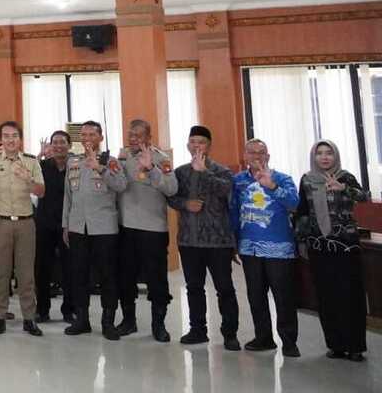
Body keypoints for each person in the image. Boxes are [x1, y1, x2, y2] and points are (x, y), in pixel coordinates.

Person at [296, 139, 369, 362]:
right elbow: (303, 212)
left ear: (335, 156)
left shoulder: (345, 177)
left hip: (346, 246)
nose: (324, 157)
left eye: (329, 153)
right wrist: (301, 241)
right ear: (314, 157)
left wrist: (343, 189)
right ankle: (336, 344)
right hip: (319, 246)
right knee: (327, 297)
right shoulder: (307, 180)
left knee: (350, 296)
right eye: (320, 153)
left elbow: (364, 197)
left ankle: (355, 346)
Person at [166, 125, 239, 350]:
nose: (197, 145)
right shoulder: (180, 172)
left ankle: (230, 334)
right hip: (189, 241)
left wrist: (204, 171)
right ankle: (198, 330)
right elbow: (171, 197)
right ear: (188, 145)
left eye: (202, 142)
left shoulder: (222, 171)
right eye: (193, 142)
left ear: (209, 146)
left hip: (218, 242)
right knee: (194, 287)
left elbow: (226, 191)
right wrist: (185, 204)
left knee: (224, 288)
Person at [232, 138, 300, 357]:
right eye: (251, 152)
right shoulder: (238, 181)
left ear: (268, 156)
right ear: (244, 156)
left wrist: (272, 187)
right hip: (249, 247)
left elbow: (294, 204)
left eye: (260, 152)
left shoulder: (282, 179)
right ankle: (263, 338)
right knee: (256, 295)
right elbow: (233, 211)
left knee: (283, 296)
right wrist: (233, 241)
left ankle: (289, 342)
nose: (256, 156)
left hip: (279, 248)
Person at [60, 122, 127, 340]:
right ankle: (82, 320)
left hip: (104, 227)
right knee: (79, 274)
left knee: (107, 276)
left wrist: (100, 168)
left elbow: (121, 185)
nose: (87, 138)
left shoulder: (110, 161)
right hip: (78, 227)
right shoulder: (73, 162)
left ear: (100, 137)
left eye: (92, 134)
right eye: (84, 134)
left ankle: (108, 322)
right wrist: (66, 225)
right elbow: (68, 196)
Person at [115, 119, 178, 342]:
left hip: (153, 229)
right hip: (126, 227)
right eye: (130, 135)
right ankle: (128, 321)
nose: (133, 139)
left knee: (156, 279)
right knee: (126, 277)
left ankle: (158, 324)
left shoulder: (161, 158)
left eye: (138, 135)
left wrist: (151, 168)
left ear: (149, 138)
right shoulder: (122, 158)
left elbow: (171, 189)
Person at [0, 121, 44, 336]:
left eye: (14, 136)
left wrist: (29, 179)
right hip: (0, 223)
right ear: (1, 139)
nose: (10, 140)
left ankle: (29, 318)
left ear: (20, 139)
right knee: (1, 274)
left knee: (26, 274)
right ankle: (0, 316)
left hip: (26, 223)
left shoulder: (31, 162)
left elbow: (41, 192)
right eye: (6, 136)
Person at [35, 130, 72, 325]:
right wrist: (39, 155)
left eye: (62, 142)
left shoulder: (75, 166)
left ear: (69, 145)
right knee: (42, 268)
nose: (58, 146)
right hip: (44, 224)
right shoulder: (42, 166)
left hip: (68, 224)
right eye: (55, 142)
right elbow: (29, 179)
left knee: (70, 268)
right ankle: (42, 310)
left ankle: (69, 310)